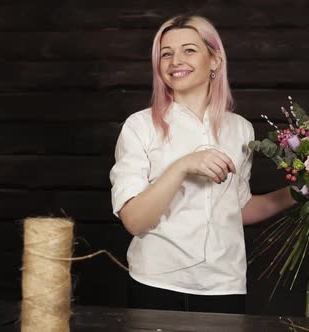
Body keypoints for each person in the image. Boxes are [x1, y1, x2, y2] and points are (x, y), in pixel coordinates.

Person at [110, 15, 297, 314]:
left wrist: (301, 191)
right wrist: (182, 166)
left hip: (224, 285)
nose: (175, 61)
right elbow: (134, 221)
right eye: (166, 53)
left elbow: (237, 208)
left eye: (189, 50)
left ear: (214, 60)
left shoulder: (241, 130)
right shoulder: (139, 126)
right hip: (157, 283)